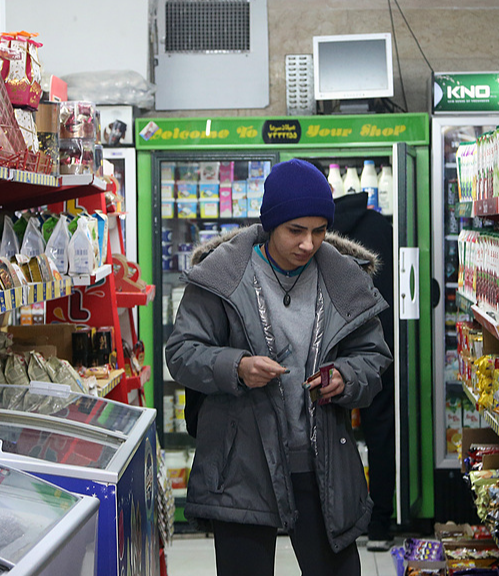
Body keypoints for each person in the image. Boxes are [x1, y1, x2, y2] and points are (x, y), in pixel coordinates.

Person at [166, 158, 393, 576]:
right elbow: (182, 352)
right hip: (241, 464)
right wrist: (236, 367)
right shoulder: (223, 277)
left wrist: (345, 377)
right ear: (271, 224)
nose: (309, 243)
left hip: (320, 462)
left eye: (320, 230)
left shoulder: (344, 279)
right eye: (296, 230)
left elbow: (374, 357)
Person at [330, 189, 396, 550]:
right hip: (376, 344)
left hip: (328, 350)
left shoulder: (316, 228)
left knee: (330, 436)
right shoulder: (378, 224)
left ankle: (337, 521)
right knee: (380, 431)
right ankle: (381, 525)